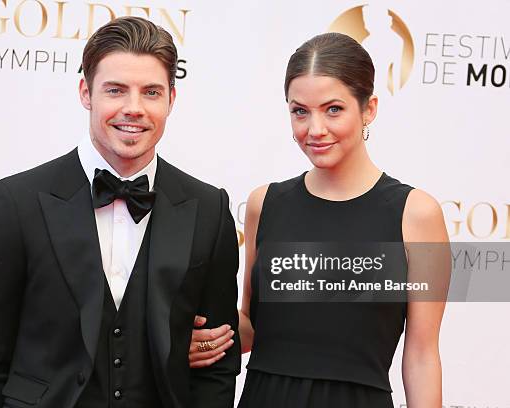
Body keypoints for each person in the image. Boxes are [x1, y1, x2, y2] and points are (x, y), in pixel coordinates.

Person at [0, 16, 240, 408]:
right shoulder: (16, 202)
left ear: (172, 100)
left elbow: (217, 363)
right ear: (86, 92)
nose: (134, 108)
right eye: (116, 90)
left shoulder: (209, 208)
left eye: (152, 92)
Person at [190, 32, 449, 407]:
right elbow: (251, 326)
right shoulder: (265, 203)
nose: (314, 130)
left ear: (369, 108)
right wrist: (198, 336)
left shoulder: (416, 214)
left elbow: (422, 356)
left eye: (333, 109)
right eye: (300, 111)